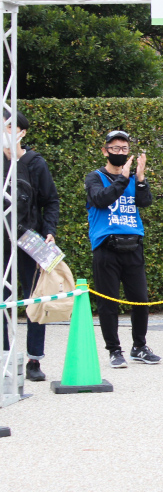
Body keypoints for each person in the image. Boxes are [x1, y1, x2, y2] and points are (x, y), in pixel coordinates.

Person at [85, 130, 161, 368]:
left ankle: (139, 346)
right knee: (109, 302)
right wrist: (122, 178)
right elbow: (101, 199)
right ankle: (114, 350)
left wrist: (139, 179)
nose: (120, 153)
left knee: (140, 299)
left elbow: (145, 201)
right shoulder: (95, 177)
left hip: (133, 244)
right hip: (106, 246)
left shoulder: (131, 178)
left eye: (124, 149)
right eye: (115, 148)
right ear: (105, 150)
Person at [2, 109, 59, 382]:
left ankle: (34, 359)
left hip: (30, 236)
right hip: (2, 237)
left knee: (37, 297)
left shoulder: (36, 162)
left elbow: (50, 200)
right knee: (3, 300)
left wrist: (49, 231)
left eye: (10, 127)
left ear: (22, 131)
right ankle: (5, 355)